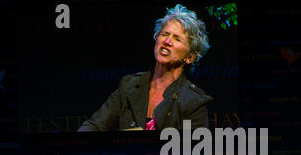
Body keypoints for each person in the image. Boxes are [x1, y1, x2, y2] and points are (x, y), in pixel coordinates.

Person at [78, 4, 212, 131]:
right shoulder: (129, 85)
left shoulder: (195, 102)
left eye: (177, 38)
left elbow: (189, 150)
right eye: (164, 34)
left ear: (190, 57)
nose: (167, 41)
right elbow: (94, 126)